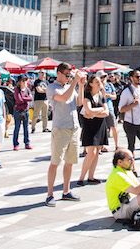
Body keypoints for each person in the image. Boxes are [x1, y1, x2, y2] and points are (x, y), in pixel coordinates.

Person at [45, 63, 85, 207]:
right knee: (55, 162)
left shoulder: (70, 86)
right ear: (59, 73)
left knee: (70, 161)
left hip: (73, 127)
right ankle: (50, 194)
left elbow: (79, 102)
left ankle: (66, 190)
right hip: (60, 128)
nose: (69, 78)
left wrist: (80, 86)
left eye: (70, 75)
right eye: (67, 75)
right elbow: (63, 98)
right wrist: (74, 82)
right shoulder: (52, 87)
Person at [77, 74, 109, 186]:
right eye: (97, 81)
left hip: (99, 125)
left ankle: (91, 176)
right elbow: (88, 110)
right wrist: (99, 110)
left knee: (96, 152)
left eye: (99, 81)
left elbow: (107, 112)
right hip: (89, 126)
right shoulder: (87, 95)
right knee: (92, 152)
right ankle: (81, 178)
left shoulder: (101, 95)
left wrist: (94, 113)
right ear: (90, 84)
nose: (99, 83)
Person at [119, 70, 140, 163]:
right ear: (131, 78)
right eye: (137, 77)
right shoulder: (126, 92)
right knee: (131, 147)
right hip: (130, 123)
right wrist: (133, 105)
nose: (139, 79)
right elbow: (121, 109)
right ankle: (131, 168)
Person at [99, 70, 119, 151]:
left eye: (104, 76)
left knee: (113, 126)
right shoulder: (97, 86)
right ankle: (102, 146)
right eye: (101, 77)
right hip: (100, 108)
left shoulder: (110, 85)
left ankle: (116, 145)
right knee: (101, 128)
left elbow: (115, 96)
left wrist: (109, 95)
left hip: (109, 107)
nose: (103, 79)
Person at [12, 75, 33, 150]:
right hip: (18, 111)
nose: (24, 82)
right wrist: (26, 98)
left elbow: (31, 98)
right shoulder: (17, 90)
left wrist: (24, 98)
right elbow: (18, 100)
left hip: (26, 110)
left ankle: (27, 143)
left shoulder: (27, 89)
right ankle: (15, 143)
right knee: (17, 128)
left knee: (26, 128)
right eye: (23, 81)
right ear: (19, 82)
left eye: (25, 81)